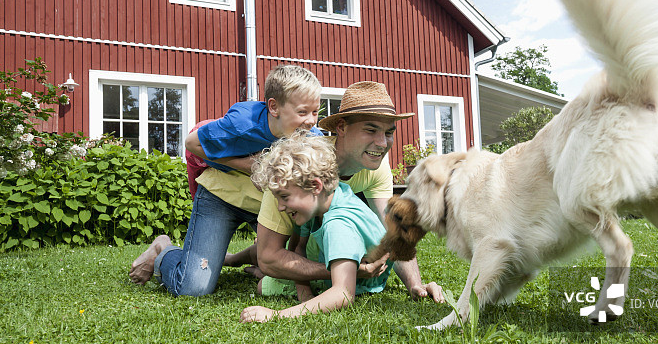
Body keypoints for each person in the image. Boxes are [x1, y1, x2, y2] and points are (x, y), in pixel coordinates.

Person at [238, 80, 443, 302]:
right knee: (258, 270)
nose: (383, 143)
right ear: (342, 127)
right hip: (286, 233)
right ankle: (232, 259)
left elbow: (392, 231)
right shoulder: (297, 169)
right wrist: (344, 272)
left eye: (388, 132)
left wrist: (416, 285)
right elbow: (269, 257)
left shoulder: (376, 167)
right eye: (371, 130)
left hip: (318, 240)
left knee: (267, 280)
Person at [128, 65, 323, 296]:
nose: (311, 121)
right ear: (274, 107)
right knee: (192, 288)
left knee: (286, 260)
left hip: (263, 203)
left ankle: (250, 258)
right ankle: (163, 249)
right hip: (220, 197)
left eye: (315, 111)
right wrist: (250, 165)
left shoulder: (309, 136)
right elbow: (192, 144)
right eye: (303, 112)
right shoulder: (242, 123)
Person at [239, 133, 401, 321]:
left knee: (264, 286)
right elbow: (297, 248)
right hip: (331, 259)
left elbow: (343, 293)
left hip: (363, 282)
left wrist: (276, 315)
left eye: (284, 197)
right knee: (272, 277)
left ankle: (251, 268)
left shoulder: (339, 225)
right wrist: (304, 292)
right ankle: (239, 262)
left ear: (315, 186)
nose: (280, 207)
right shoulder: (318, 202)